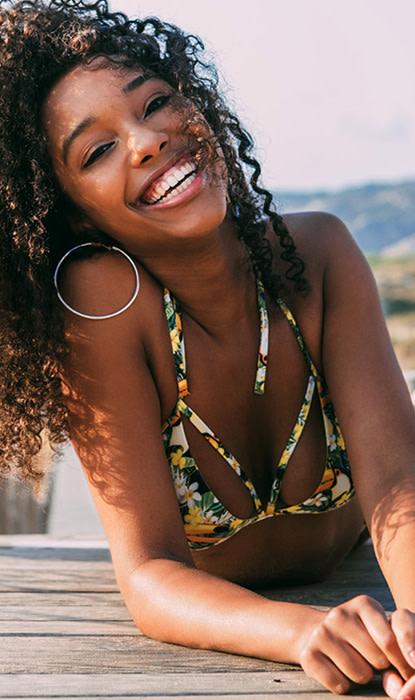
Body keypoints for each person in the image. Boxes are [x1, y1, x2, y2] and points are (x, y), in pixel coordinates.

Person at [1, 0, 415, 695]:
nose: (146, 140)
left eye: (156, 101)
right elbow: (149, 572)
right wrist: (305, 632)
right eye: (97, 151)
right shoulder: (106, 304)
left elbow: (397, 486)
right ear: (68, 208)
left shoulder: (315, 257)